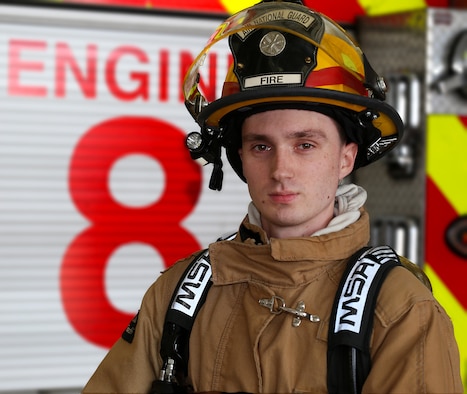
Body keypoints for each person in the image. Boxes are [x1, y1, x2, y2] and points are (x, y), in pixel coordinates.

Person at [83, 1, 463, 393]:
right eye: (261, 147)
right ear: (241, 158)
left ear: (346, 157)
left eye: (305, 145)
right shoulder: (178, 296)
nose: (281, 171)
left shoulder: (400, 311)